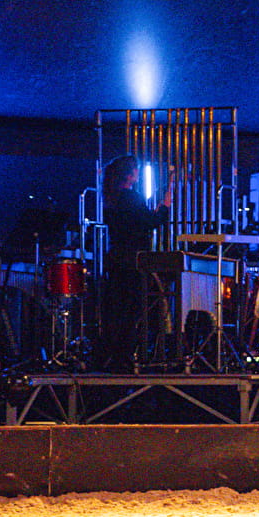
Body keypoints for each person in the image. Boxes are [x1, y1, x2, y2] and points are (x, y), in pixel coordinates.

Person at [101, 155, 171, 370]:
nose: (139, 174)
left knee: (118, 311)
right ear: (130, 174)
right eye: (137, 170)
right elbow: (149, 223)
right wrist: (165, 207)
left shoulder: (113, 196)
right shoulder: (131, 198)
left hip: (116, 259)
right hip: (133, 261)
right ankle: (126, 357)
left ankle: (116, 356)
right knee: (132, 311)